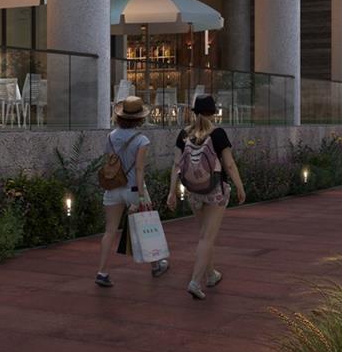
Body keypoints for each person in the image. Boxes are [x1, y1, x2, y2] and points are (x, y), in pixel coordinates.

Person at [166, 94, 247, 300]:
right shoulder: (217, 133)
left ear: (194, 112)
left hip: (193, 191)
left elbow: (176, 165)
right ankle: (195, 281)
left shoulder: (184, 134)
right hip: (215, 192)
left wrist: (171, 192)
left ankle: (211, 274)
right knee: (206, 238)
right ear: (213, 113)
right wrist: (239, 186)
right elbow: (229, 164)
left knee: (204, 236)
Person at [95, 95, 170, 287]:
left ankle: (102, 272)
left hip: (112, 188)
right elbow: (139, 169)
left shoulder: (110, 136)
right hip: (133, 188)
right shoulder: (141, 140)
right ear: (139, 118)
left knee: (109, 231)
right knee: (145, 226)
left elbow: (110, 161)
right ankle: (155, 265)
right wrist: (141, 195)